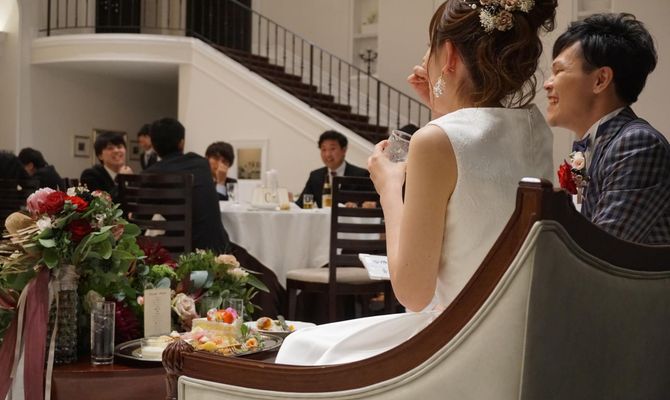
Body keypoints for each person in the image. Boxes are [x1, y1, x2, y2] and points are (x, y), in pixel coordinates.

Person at [276, 0, 557, 365]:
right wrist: (440, 107)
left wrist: (389, 187)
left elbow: (413, 293)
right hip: (519, 336)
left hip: (455, 341)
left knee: (299, 347)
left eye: (430, 47)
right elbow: (471, 144)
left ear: (449, 54)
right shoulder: (535, 128)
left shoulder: (435, 140)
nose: (425, 58)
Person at [544, 13, 670, 244]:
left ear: (601, 80)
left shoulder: (637, 144)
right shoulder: (582, 151)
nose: (547, 84)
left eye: (559, 71)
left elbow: (602, 250)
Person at [145, 118, 231, 253]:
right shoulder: (201, 164)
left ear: (153, 145)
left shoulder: (150, 175)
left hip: (176, 252)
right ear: (182, 142)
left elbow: (141, 219)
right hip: (216, 249)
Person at [295, 130, 369, 208]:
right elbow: (301, 204)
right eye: (324, 149)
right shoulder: (315, 176)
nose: (328, 154)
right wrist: (289, 202)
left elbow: (371, 203)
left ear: (344, 150)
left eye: (332, 149)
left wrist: (357, 205)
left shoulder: (361, 175)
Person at [80, 132, 133, 200]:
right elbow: (103, 203)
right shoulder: (90, 175)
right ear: (100, 156)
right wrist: (122, 180)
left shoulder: (129, 174)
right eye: (110, 148)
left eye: (119, 147)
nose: (116, 150)